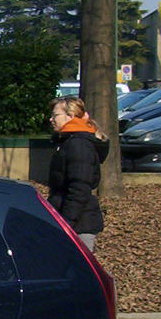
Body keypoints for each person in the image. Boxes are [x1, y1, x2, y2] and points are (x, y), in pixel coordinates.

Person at [47, 96, 110, 252]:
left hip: (78, 225)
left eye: (55, 115)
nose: (51, 119)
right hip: (72, 220)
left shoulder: (79, 145)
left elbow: (79, 189)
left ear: (71, 116)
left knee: (83, 273)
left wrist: (66, 224)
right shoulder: (68, 141)